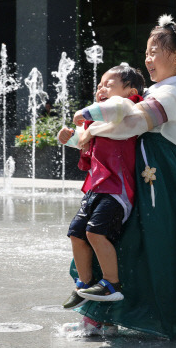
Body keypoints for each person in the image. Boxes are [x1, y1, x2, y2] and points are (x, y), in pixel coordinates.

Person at [63, 14, 176, 339]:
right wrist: (84, 133)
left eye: (155, 51)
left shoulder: (170, 95)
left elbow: (134, 125)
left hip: (162, 182)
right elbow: (117, 131)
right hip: (136, 179)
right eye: (147, 52)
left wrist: (92, 124)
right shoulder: (152, 91)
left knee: (167, 244)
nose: (148, 58)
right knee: (120, 242)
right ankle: (101, 313)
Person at [57, 65, 146, 312]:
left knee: (96, 233)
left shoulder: (127, 109)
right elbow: (83, 140)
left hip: (117, 190)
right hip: (96, 189)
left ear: (131, 91)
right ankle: (84, 284)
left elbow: (114, 108)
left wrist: (85, 112)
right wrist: (68, 136)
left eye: (109, 84)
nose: (101, 89)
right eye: (99, 86)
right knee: (76, 232)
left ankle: (111, 284)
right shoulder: (97, 123)